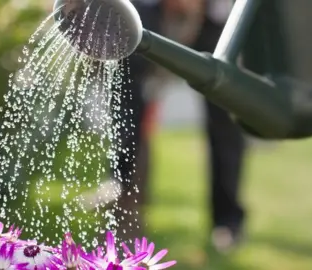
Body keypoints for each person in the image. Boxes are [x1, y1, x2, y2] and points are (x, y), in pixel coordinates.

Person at [84, 0, 248, 252]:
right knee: (129, 99)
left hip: (215, 16)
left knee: (224, 114)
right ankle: (123, 200)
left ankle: (227, 220)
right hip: (152, 9)